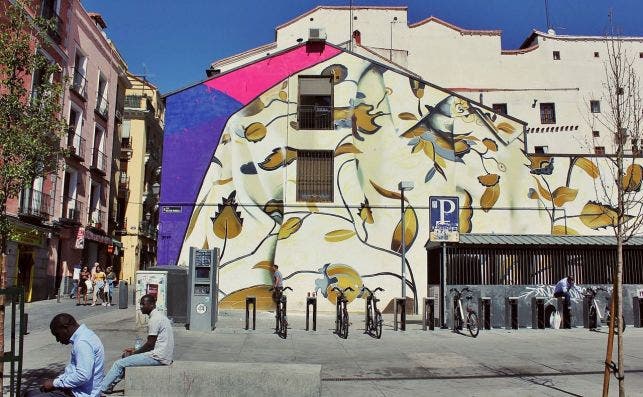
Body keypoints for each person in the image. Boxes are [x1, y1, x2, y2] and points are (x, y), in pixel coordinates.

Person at [101, 294, 174, 394]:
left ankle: (102, 388)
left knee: (119, 363)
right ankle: (110, 384)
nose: (141, 307)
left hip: (159, 357)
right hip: (162, 354)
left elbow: (150, 344)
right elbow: (152, 343)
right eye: (140, 304)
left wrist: (135, 353)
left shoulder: (155, 319)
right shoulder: (158, 316)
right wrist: (135, 351)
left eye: (143, 304)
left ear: (152, 305)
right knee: (125, 358)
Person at [24, 313, 104, 397]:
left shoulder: (82, 343)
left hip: (80, 393)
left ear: (66, 328)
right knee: (30, 393)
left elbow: (83, 376)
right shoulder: (86, 335)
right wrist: (57, 381)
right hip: (76, 389)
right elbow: (74, 371)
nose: (57, 340)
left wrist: (55, 383)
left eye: (57, 334)